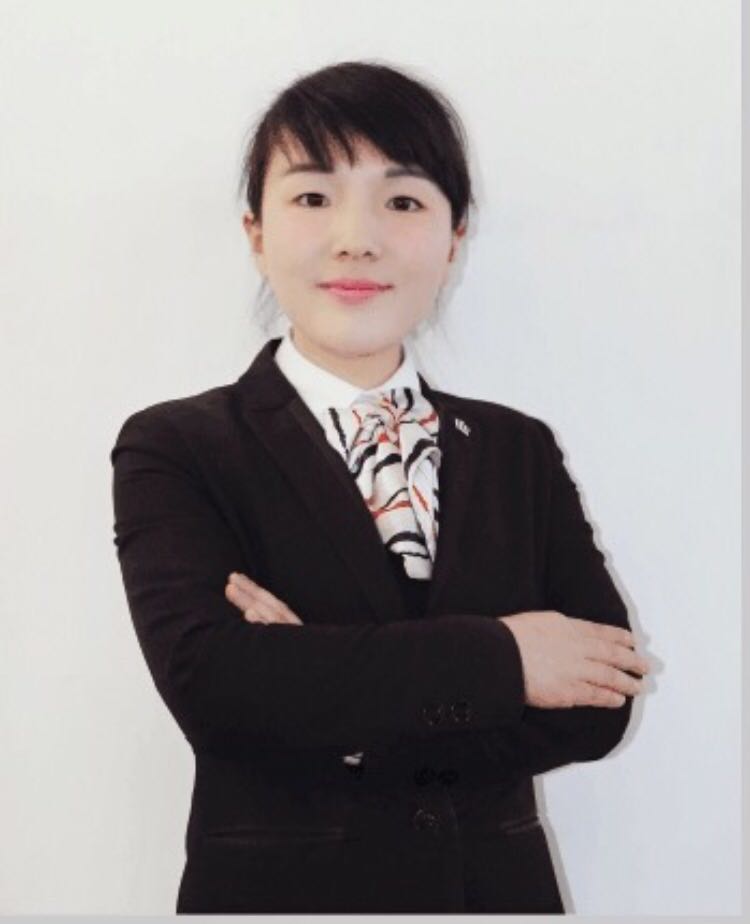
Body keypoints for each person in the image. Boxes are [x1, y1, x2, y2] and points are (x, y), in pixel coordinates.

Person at [110, 60, 650, 914]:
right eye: (313, 197)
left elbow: (600, 701)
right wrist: (509, 660)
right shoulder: (178, 446)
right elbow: (217, 688)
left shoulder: (518, 449)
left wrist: (324, 690)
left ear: (455, 235)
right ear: (256, 231)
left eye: (402, 201)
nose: (356, 238)